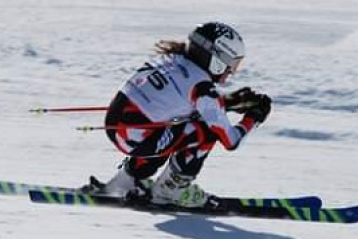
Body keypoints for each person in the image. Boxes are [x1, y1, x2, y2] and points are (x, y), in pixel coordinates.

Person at [91, 21, 272, 208]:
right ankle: (171, 190)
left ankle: (125, 182)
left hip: (117, 127)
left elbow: (177, 103)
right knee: (207, 132)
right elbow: (231, 141)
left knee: (175, 128)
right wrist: (254, 118)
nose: (230, 71)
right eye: (231, 64)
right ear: (216, 59)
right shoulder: (203, 89)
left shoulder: (172, 58)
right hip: (137, 140)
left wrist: (229, 102)